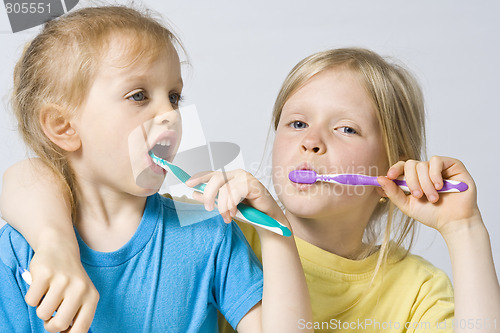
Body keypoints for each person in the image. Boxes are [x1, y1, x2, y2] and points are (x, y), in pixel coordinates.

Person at [1, 40, 498, 333]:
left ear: (394, 162)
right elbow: (37, 173)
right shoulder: (223, 229)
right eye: (296, 123)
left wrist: (465, 230)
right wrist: (54, 242)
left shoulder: (417, 290)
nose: (312, 144)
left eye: (345, 129)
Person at [0, 6, 312, 333]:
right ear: (63, 127)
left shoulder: (210, 232)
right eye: (139, 95)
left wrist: (275, 228)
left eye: (174, 97)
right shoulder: (19, 252)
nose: (170, 114)